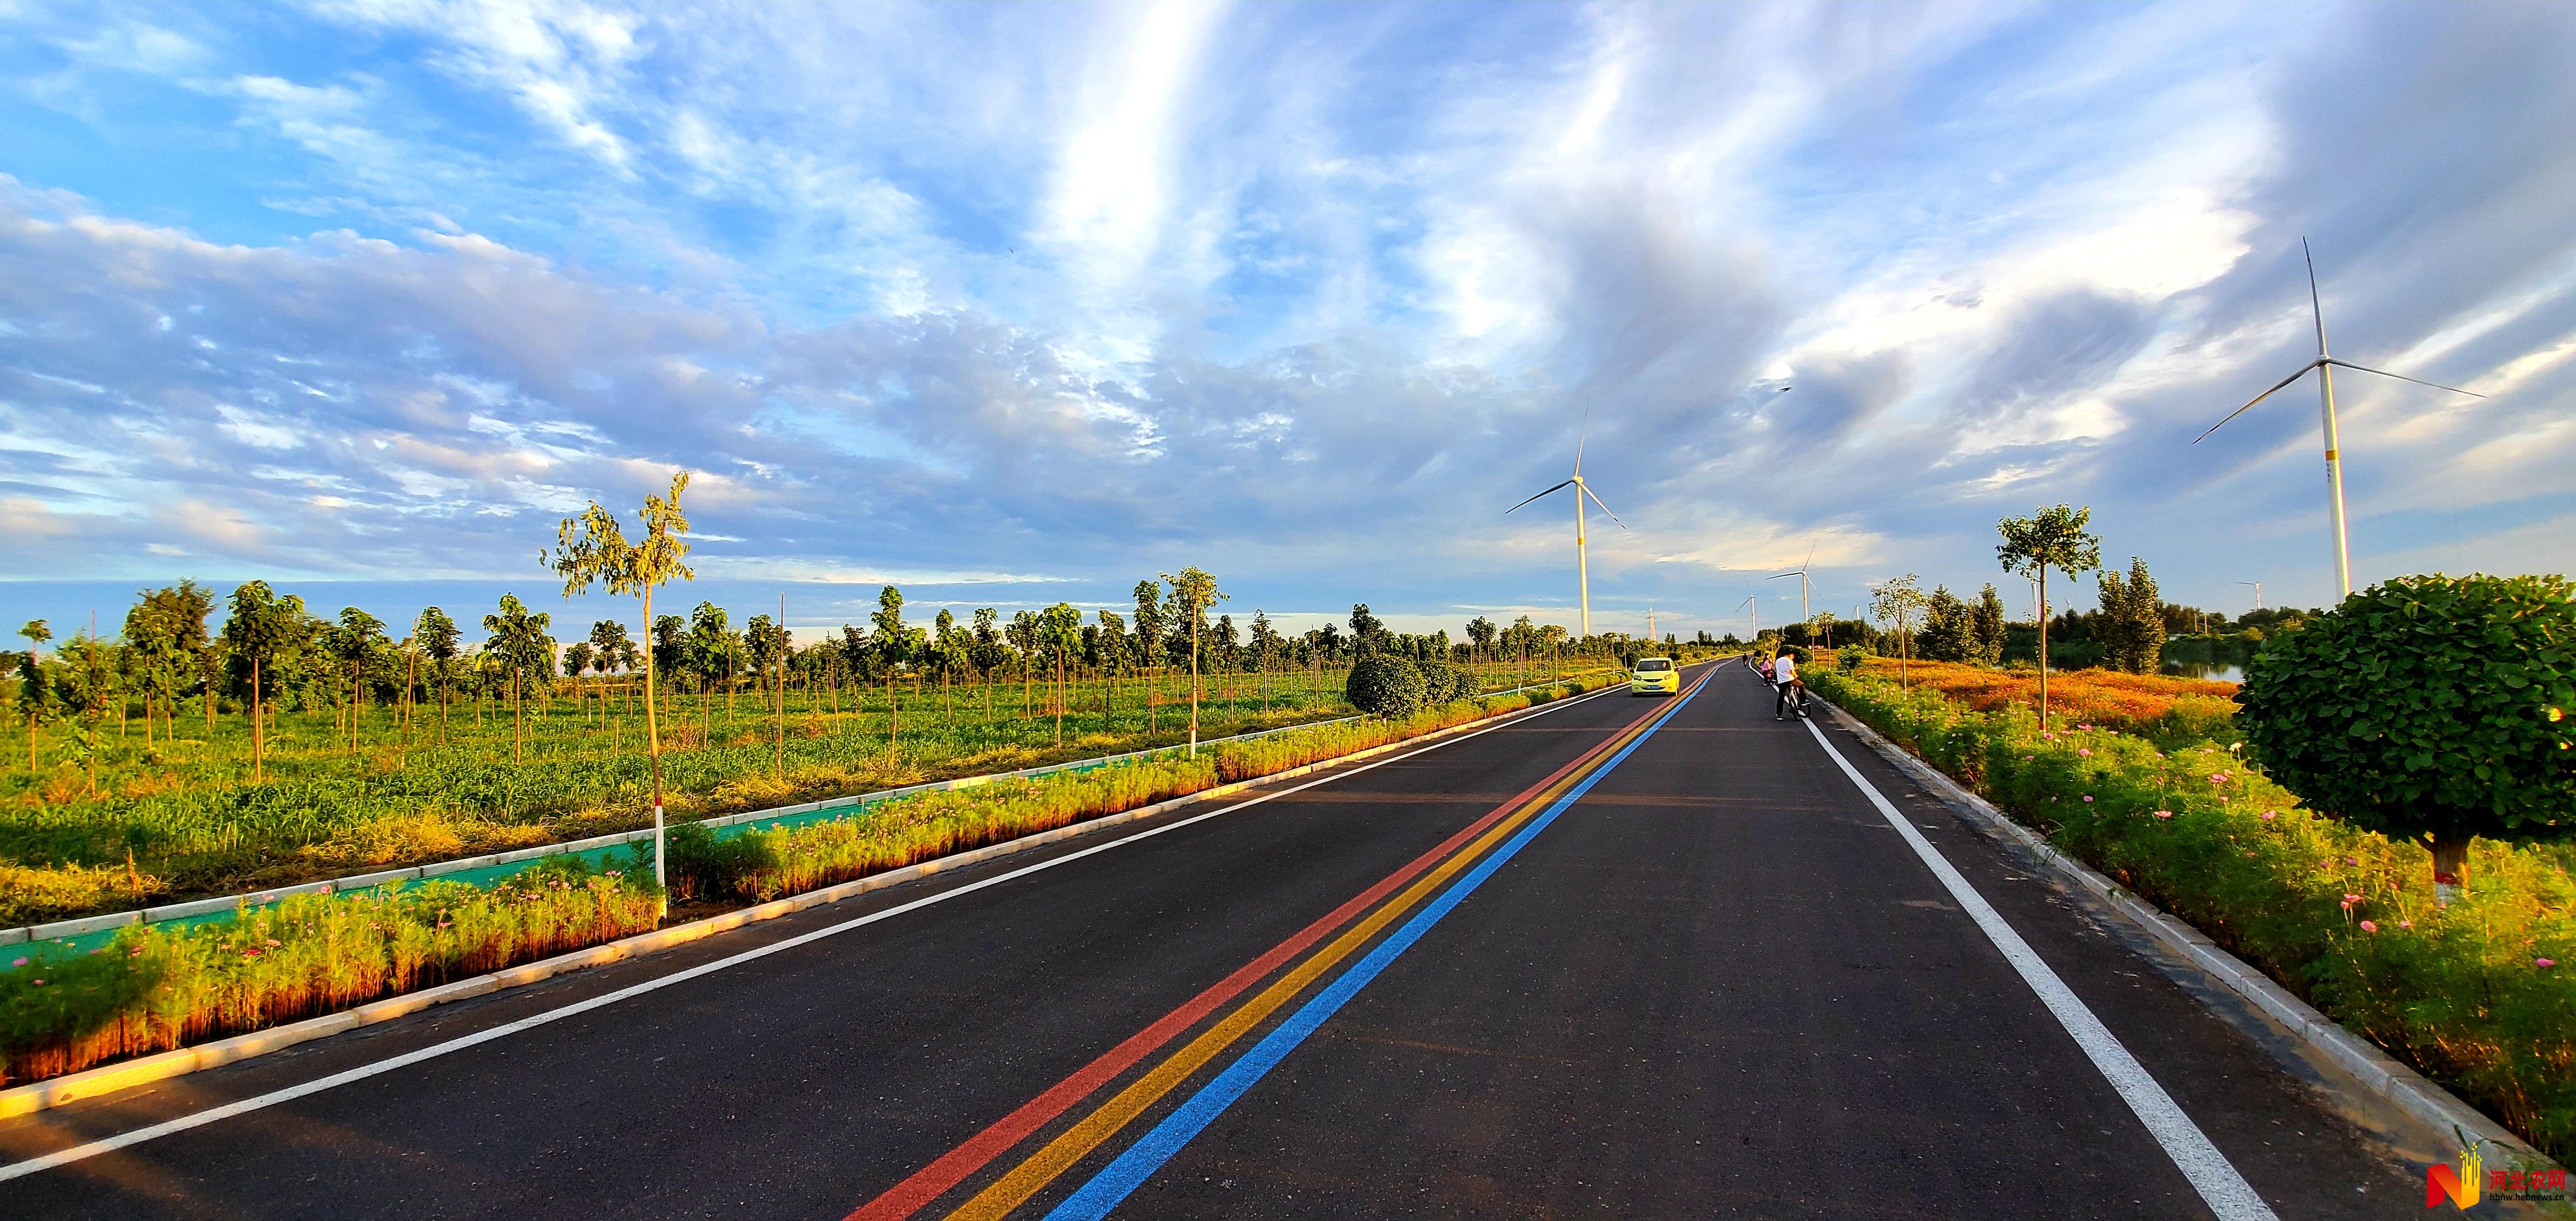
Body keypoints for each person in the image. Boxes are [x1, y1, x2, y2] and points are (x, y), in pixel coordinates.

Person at [1772, 650, 1802, 720]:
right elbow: (1792, 671)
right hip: (1790, 679)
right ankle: (1803, 701)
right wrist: (1796, 676)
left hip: (1781, 681)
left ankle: (1779, 715)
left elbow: (1776, 669)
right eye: (1792, 657)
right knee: (1801, 685)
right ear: (1791, 655)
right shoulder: (1789, 661)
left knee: (1781, 697)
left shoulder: (1778, 661)